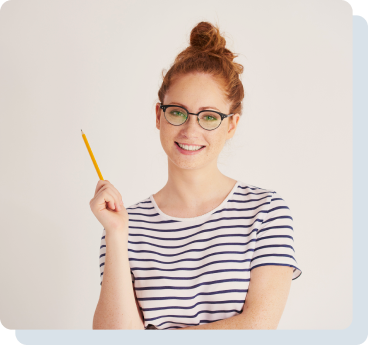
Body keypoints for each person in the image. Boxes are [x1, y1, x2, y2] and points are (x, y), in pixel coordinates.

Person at [91, 21, 302, 330]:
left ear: (231, 125)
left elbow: (258, 327)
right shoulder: (124, 225)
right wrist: (116, 233)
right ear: (158, 116)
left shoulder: (266, 212)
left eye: (209, 117)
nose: (191, 130)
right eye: (177, 112)